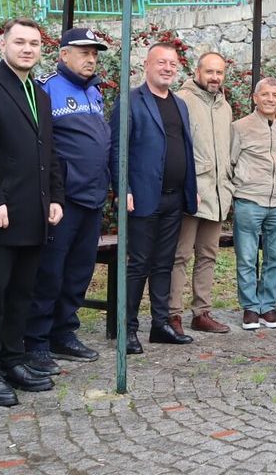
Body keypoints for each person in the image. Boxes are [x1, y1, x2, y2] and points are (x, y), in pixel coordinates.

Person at [0, 17, 64, 407]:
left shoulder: (40, 94)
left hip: (33, 214)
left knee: (21, 295)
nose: (27, 49)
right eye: (19, 42)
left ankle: (13, 361)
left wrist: (56, 196)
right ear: (3, 45)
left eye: (34, 43)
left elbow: (48, 151)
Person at [24, 28, 110, 376]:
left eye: (94, 53)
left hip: (93, 197)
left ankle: (64, 332)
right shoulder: (46, 88)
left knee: (79, 271)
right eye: (84, 52)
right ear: (63, 55)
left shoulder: (94, 91)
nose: (91, 59)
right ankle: (36, 341)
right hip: (62, 201)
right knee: (50, 272)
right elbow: (38, 147)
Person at [110, 42, 199, 355]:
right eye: (161, 62)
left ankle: (160, 325)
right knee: (138, 265)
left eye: (173, 64)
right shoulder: (130, 101)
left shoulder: (180, 104)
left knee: (164, 264)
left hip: (174, 198)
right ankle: (128, 329)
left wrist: (191, 187)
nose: (168, 68)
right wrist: (123, 189)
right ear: (146, 65)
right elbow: (118, 149)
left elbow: (185, 148)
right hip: (142, 198)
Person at [169, 52, 234, 337]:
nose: (215, 77)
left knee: (208, 254)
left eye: (219, 72)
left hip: (218, 193)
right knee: (180, 255)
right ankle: (172, 313)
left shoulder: (224, 106)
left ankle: (202, 313)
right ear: (197, 72)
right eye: (209, 71)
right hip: (191, 193)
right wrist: (186, 187)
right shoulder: (182, 100)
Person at [230, 77, 276, 330]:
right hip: (249, 199)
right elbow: (231, 160)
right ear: (255, 98)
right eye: (265, 94)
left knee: (275, 258)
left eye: (275, 95)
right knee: (246, 257)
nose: (270, 99)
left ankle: (268, 307)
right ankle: (250, 308)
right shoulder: (240, 127)